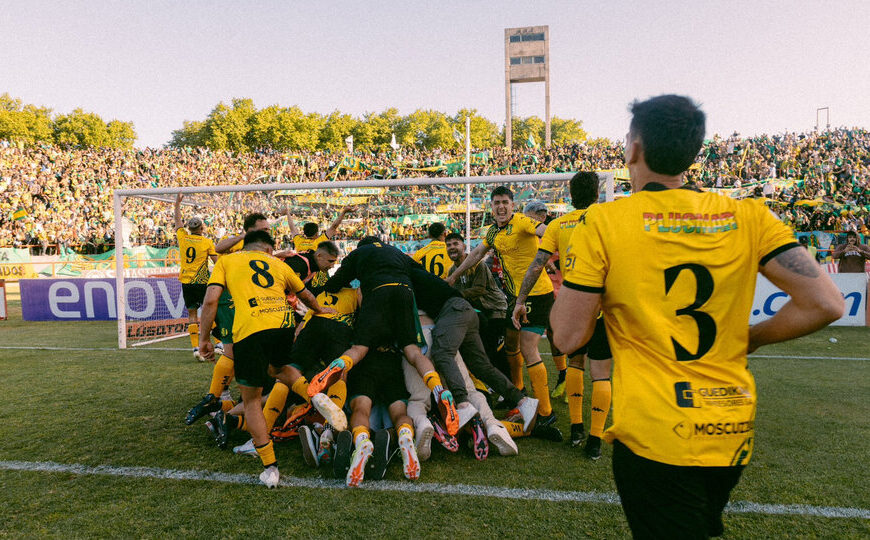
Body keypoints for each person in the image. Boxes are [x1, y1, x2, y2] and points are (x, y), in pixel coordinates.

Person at [550, 94, 844, 538]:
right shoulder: (749, 216)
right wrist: (752, 337)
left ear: (632, 148)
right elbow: (827, 303)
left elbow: (568, 337)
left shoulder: (603, 223)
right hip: (729, 429)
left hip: (655, 435)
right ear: (692, 151)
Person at [197, 229, 333, 488]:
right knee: (279, 369)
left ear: (246, 246)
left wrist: (204, 339)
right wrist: (319, 309)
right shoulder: (278, 264)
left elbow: (211, 300)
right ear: (269, 250)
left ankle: (270, 468)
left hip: (250, 330)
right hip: (283, 327)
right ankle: (315, 395)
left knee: (250, 402)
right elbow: (305, 294)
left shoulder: (227, 260)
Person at [308, 237, 460, 435]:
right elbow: (420, 273)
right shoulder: (397, 252)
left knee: (358, 349)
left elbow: (337, 281)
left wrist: (316, 290)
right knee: (413, 352)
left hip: (377, 292)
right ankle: (438, 388)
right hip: (405, 292)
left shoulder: (359, 253)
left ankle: (339, 365)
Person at [513, 171, 613, 458]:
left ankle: (577, 430)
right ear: (597, 194)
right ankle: (595, 440)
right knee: (601, 372)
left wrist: (521, 298)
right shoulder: (606, 218)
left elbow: (537, 264)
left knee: (575, 363)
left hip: (573, 303)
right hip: (603, 303)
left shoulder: (558, 224)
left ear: (570, 195)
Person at [447, 186, 556, 427]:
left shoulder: (523, 221)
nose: (501, 207)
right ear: (492, 206)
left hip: (537, 294)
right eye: (497, 203)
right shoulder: (494, 231)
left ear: (512, 204)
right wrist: (454, 276)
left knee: (528, 350)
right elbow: (476, 253)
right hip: (514, 296)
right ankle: (517, 393)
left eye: (505, 202)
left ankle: (547, 413)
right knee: (510, 345)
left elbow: (546, 231)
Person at [184, 212, 270, 426]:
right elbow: (218, 249)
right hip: (230, 302)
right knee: (233, 350)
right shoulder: (238, 242)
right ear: (250, 229)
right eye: (264, 229)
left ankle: (222, 398)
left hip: (248, 302)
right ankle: (217, 397)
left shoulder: (261, 247)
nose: (268, 232)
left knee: (242, 352)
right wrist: (243, 237)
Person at [445, 232, 509, 376]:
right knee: (483, 349)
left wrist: (453, 294)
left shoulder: (477, 264)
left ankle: (513, 386)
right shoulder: (452, 270)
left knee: (497, 349)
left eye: (455, 244)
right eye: (448, 245)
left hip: (495, 310)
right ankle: (494, 381)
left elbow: (479, 289)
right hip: (479, 313)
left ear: (464, 246)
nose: (452, 247)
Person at [173, 194, 217, 360]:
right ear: (202, 228)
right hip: (202, 282)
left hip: (186, 281)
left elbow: (177, 221)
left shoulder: (183, 237)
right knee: (209, 312)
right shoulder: (207, 242)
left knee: (192, 314)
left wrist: (177, 203)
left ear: (189, 228)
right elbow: (216, 261)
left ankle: (195, 349)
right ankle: (218, 343)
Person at [287, 205, 354, 253]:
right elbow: (334, 227)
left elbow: (292, 228)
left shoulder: (298, 240)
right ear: (317, 233)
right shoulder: (319, 242)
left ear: (304, 232)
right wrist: (344, 212)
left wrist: (287, 213)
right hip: (315, 272)